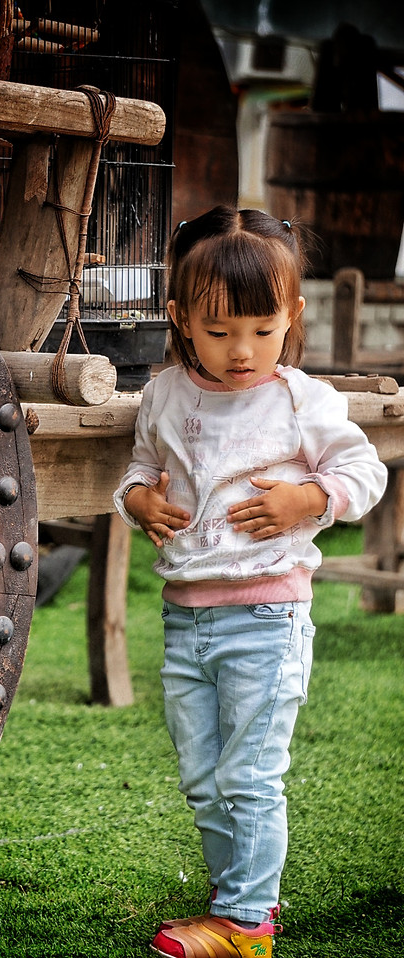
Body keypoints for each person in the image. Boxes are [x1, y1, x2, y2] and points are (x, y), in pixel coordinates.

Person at [113, 206, 388, 958]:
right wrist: (139, 500)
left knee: (250, 775)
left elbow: (364, 470)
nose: (243, 352)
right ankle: (231, 898)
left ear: (291, 316)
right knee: (203, 778)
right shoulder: (165, 394)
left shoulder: (302, 400)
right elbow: (140, 465)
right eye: (220, 330)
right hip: (184, 621)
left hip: (268, 619)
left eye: (263, 331)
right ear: (180, 319)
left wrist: (312, 498)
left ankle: (246, 923)